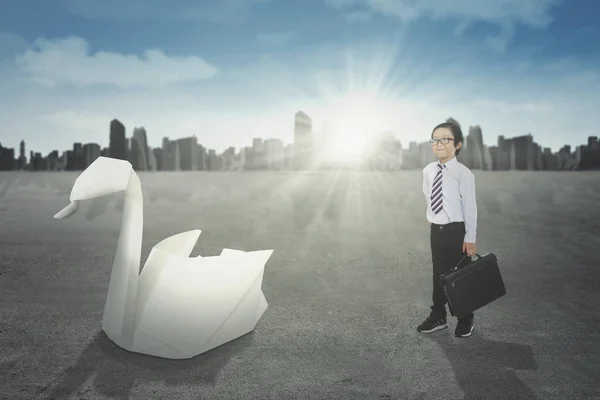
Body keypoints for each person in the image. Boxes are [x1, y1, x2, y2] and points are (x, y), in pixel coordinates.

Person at [417, 121, 478, 338]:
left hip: (457, 231)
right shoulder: (428, 170)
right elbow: (428, 194)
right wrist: (433, 217)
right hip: (437, 231)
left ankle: (465, 318)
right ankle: (438, 315)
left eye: (446, 139)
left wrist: (470, 237)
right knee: (439, 276)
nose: (439, 143)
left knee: (460, 276)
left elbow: (470, 207)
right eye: (435, 139)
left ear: (458, 144)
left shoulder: (463, 174)